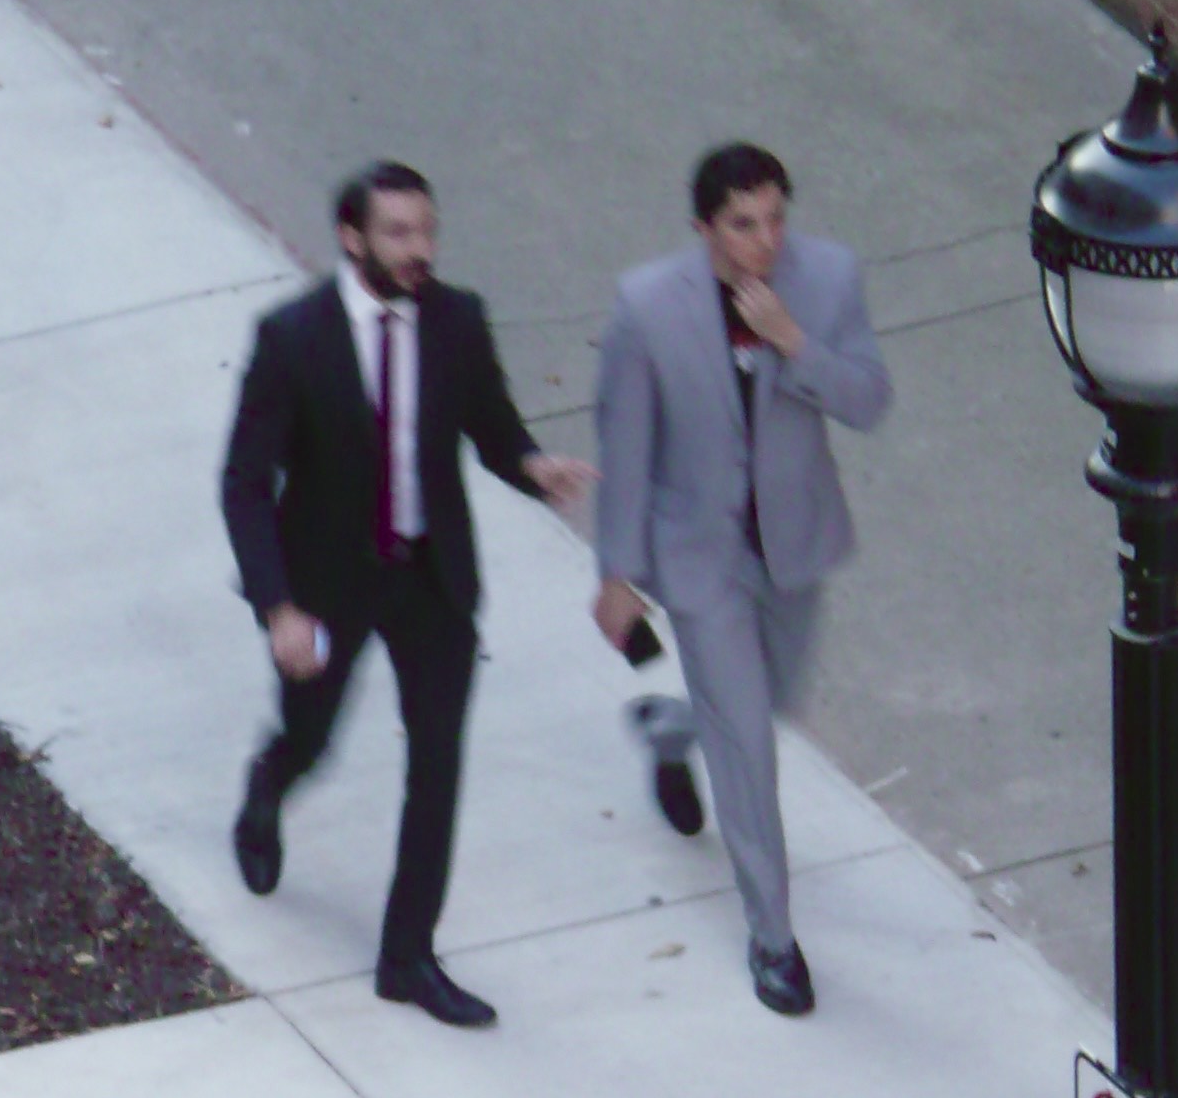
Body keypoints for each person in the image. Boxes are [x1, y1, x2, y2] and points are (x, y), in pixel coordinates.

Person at [222, 162, 593, 1027]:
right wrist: (279, 606)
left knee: (437, 766)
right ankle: (269, 787)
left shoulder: (457, 320)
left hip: (431, 579)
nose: (419, 249)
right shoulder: (294, 339)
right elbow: (245, 483)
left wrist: (533, 467)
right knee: (312, 739)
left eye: (426, 230)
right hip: (327, 587)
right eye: (398, 233)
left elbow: (491, 427)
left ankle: (407, 957)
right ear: (352, 239)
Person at [591, 143, 891, 1015]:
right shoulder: (649, 308)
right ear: (704, 228)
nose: (765, 241)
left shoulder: (828, 280)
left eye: (775, 219)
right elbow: (627, 444)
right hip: (699, 559)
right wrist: (618, 573)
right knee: (749, 753)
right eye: (743, 224)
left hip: (794, 545)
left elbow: (869, 400)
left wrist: (795, 344)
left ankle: (669, 729)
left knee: (769, 705)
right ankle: (773, 940)